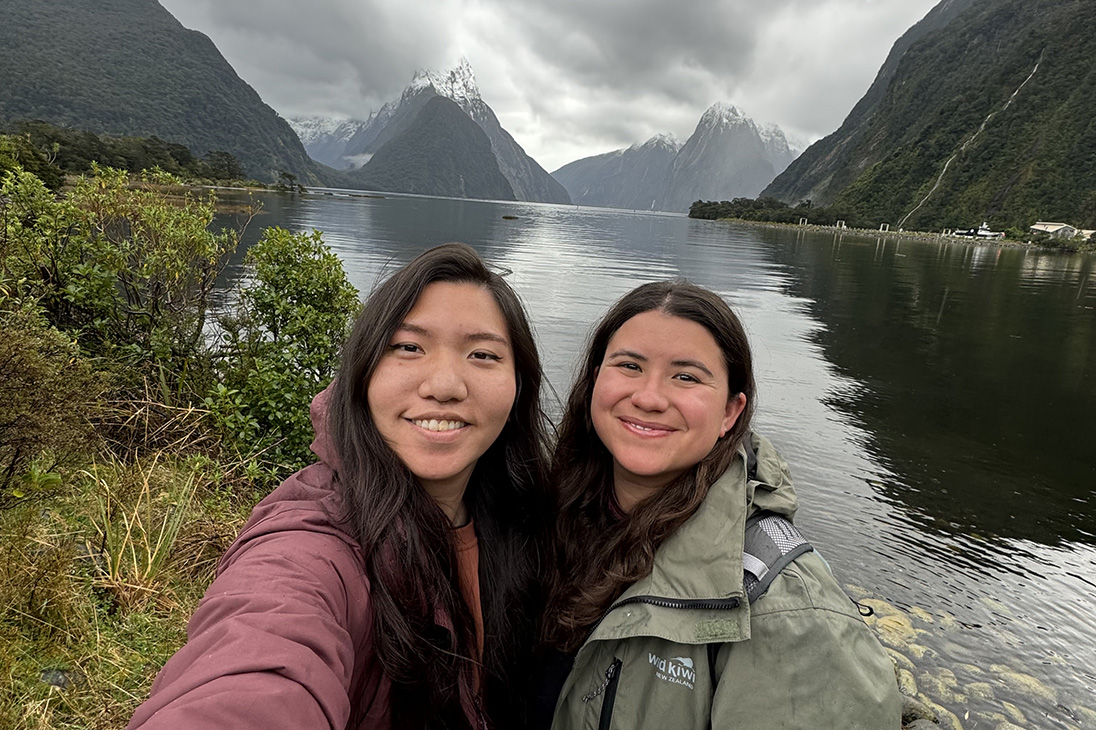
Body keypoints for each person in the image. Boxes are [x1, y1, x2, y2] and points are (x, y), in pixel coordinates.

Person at [128, 243, 551, 730]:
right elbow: (261, 658)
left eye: (483, 354)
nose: (444, 385)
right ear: (363, 370)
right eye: (408, 347)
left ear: (520, 383)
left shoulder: (524, 519)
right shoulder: (311, 545)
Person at [540, 280, 901, 729]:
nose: (649, 397)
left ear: (731, 412)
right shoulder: (546, 516)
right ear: (596, 380)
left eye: (686, 376)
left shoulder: (782, 604)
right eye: (629, 365)